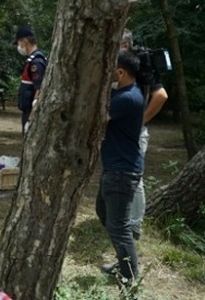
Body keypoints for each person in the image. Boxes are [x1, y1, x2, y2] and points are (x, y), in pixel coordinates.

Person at [97, 50, 144, 284]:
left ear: (121, 72)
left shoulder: (126, 98)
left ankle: (128, 275)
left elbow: (98, 117)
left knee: (118, 225)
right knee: (103, 212)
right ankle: (124, 259)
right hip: (117, 168)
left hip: (121, 172)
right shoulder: (128, 93)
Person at [120, 29, 168, 241]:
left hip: (135, 132)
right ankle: (122, 218)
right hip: (120, 132)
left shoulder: (139, 65)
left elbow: (161, 95)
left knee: (135, 177)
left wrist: (141, 120)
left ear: (126, 45)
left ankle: (134, 226)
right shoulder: (121, 67)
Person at [14, 27, 47, 134]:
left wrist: (31, 119)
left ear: (25, 41)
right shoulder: (31, 60)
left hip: (31, 113)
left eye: (18, 43)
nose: (18, 46)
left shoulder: (36, 62)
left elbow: (39, 91)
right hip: (26, 111)